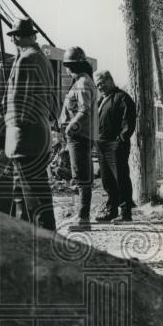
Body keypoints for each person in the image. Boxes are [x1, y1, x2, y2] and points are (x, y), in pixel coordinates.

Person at [3, 17, 60, 231]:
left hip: (25, 138)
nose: (13, 41)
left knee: (33, 196)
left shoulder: (26, 60)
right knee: (27, 194)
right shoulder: (43, 59)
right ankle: (30, 240)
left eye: (14, 37)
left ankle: (46, 240)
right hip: (38, 133)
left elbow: (19, 102)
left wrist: (11, 124)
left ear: (18, 37)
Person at [59, 46, 99, 231]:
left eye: (67, 65)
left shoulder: (82, 83)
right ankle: (81, 215)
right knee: (81, 176)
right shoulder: (81, 81)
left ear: (71, 66)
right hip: (80, 134)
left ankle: (84, 219)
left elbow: (84, 110)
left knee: (82, 177)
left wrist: (70, 128)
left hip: (79, 135)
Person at [94, 69, 136, 223]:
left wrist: (120, 141)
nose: (100, 87)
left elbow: (128, 122)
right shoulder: (101, 101)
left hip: (115, 145)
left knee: (121, 179)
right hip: (101, 145)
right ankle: (111, 211)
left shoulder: (122, 98)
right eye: (97, 85)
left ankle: (126, 214)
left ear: (110, 80)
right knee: (107, 181)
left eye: (102, 83)